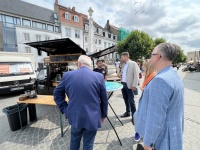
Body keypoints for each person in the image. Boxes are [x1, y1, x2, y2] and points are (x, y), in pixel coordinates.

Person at [134, 43, 184, 150]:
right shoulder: (173, 74)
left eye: (151, 54)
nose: (149, 57)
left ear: (158, 56)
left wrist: (148, 143)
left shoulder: (160, 80)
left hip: (162, 139)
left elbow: (156, 117)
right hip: (172, 133)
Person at [54, 55, 108, 150]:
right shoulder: (99, 77)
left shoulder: (67, 75)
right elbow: (104, 99)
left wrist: (66, 109)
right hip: (93, 117)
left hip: (75, 116)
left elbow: (57, 94)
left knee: (74, 141)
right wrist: (103, 115)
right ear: (90, 65)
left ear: (79, 64)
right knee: (88, 144)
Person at [134, 59, 156, 142]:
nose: (142, 67)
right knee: (137, 116)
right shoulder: (149, 76)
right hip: (144, 101)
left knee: (139, 117)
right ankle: (139, 132)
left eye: (144, 66)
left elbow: (148, 89)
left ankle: (140, 132)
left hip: (148, 103)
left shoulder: (153, 76)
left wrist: (142, 88)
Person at [119, 52, 139, 123]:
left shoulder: (133, 64)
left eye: (122, 57)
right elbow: (122, 73)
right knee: (125, 99)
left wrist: (134, 85)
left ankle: (134, 116)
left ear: (126, 56)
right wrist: (120, 74)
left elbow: (136, 75)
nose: (121, 58)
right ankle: (128, 112)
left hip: (130, 85)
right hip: (123, 84)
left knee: (131, 101)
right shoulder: (124, 64)